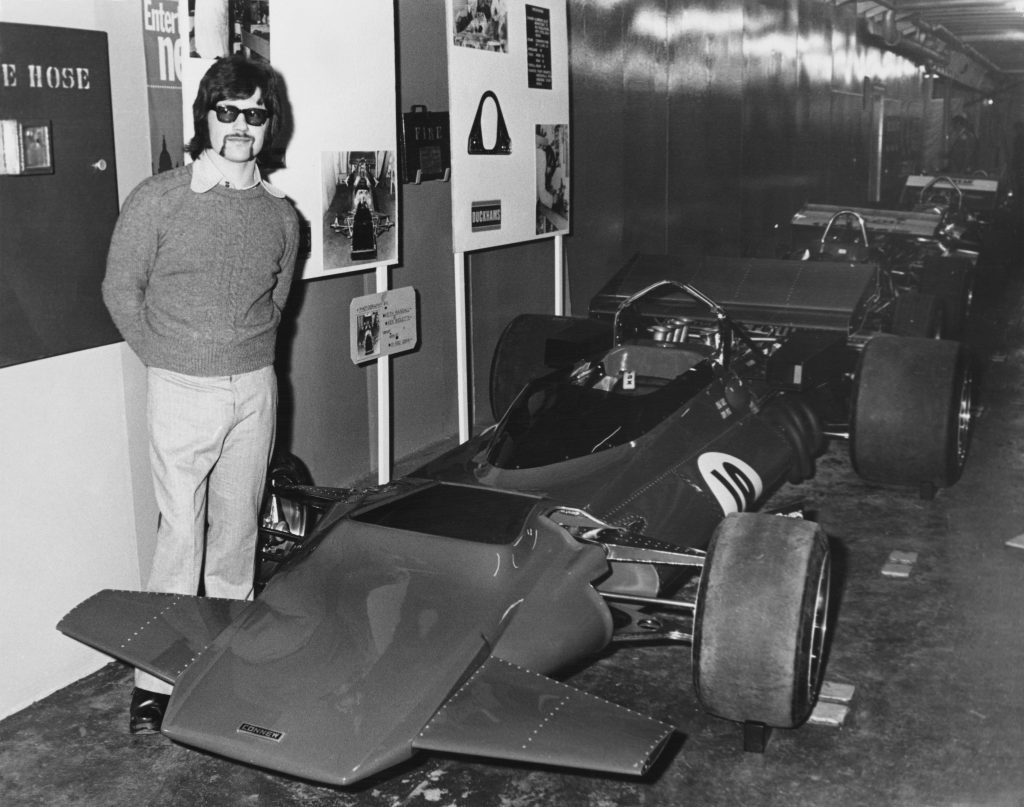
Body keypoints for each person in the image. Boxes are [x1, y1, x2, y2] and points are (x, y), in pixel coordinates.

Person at [102, 53, 299, 734]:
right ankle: (156, 681)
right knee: (180, 538)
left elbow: (278, 299)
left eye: (255, 113)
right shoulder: (160, 198)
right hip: (180, 387)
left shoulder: (281, 214)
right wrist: (168, 358)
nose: (241, 125)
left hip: (255, 387)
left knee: (238, 533)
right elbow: (119, 290)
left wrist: (245, 360)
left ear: (269, 124)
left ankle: (230, 664)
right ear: (205, 118)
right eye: (228, 111)